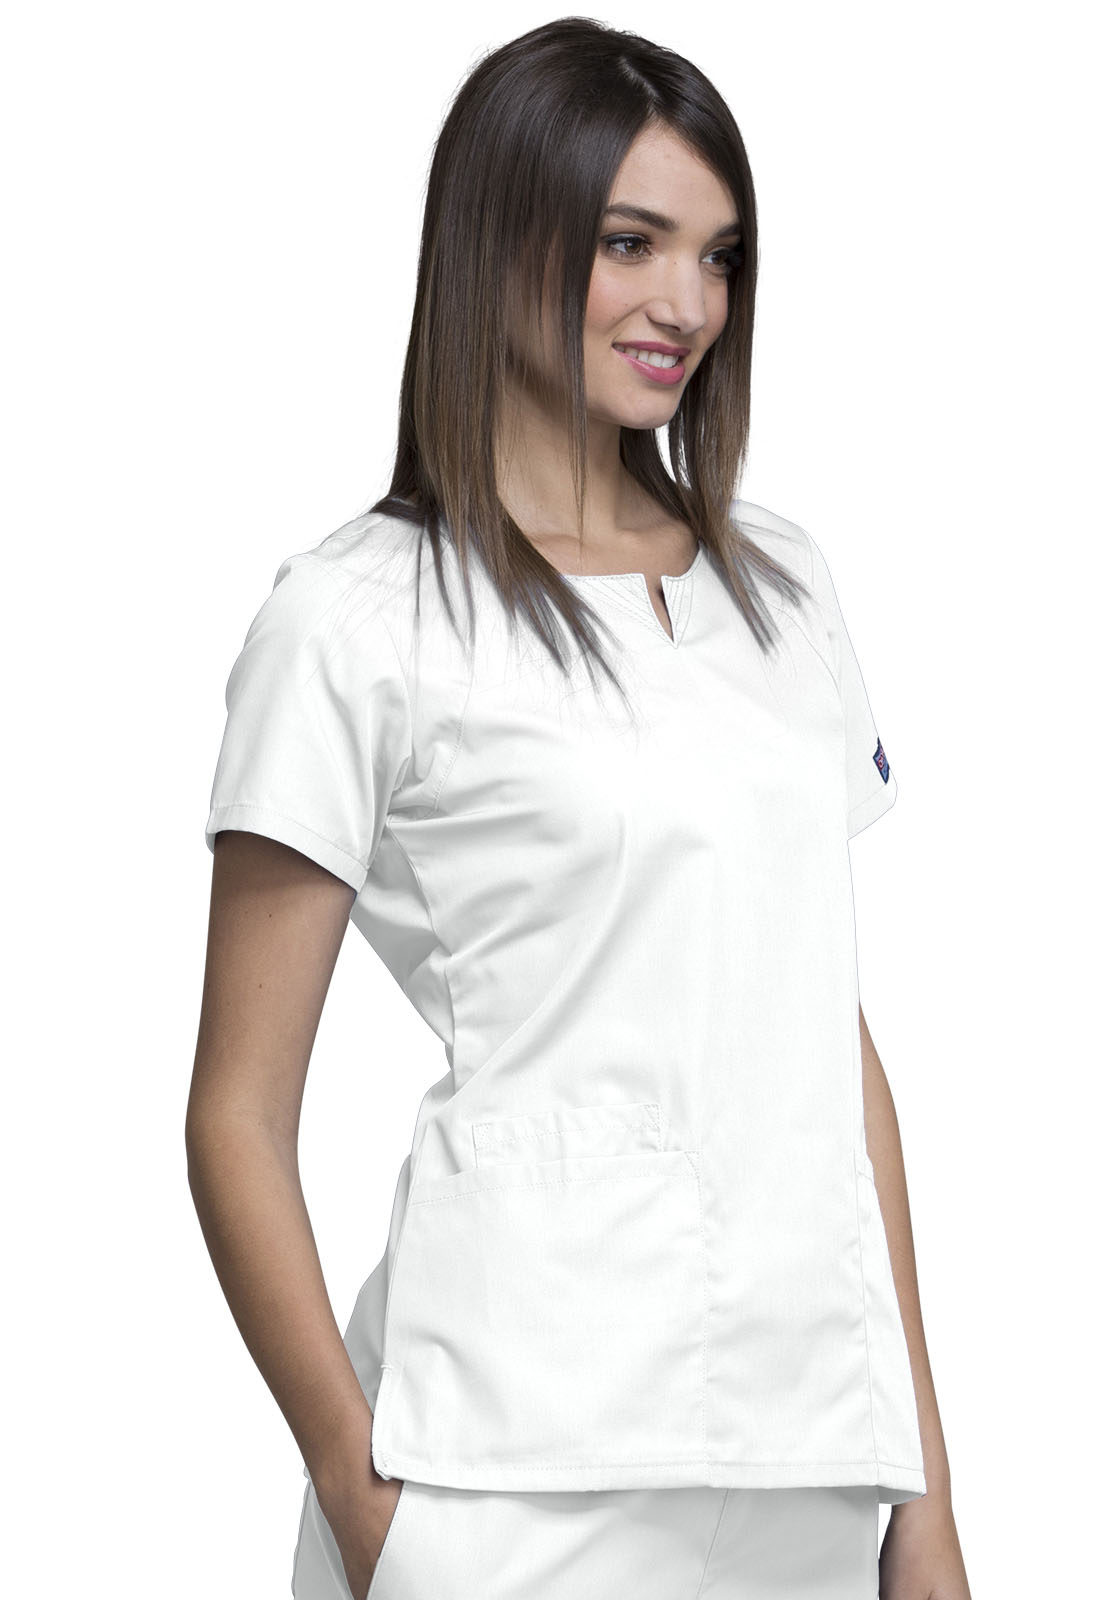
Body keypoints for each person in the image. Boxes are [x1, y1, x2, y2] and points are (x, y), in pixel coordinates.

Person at [187, 17, 972, 1600]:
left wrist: (927, 1497)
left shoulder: (781, 584)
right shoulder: (359, 617)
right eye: (632, 243)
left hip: (809, 1464)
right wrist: (365, 1498)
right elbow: (235, 1119)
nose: (689, 304)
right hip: (505, 1467)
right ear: (500, 233)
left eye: (720, 256)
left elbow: (832, 1050)